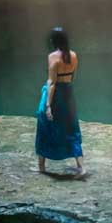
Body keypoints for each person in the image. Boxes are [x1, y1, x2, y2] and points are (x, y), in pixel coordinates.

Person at [35, 26, 84, 175]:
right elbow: (73, 76)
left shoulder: (52, 57)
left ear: (53, 41)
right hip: (68, 92)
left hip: (55, 94)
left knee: (44, 125)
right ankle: (81, 166)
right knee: (71, 127)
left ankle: (41, 167)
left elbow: (52, 83)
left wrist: (48, 105)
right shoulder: (74, 55)